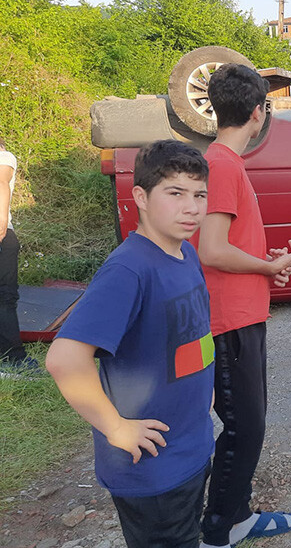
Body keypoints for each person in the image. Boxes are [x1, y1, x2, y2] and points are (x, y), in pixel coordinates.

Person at [46, 140, 213, 547]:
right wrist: (115, 427)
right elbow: (65, 359)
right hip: (151, 470)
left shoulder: (185, 254)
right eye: (175, 193)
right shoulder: (128, 269)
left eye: (200, 194)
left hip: (191, 448)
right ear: (140, 196)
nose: (191, 207)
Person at [193, 63, 291, 548]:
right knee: (246, 427)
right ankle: (221, 527)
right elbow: (211, 249)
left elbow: (225, 244)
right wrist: (264, 268)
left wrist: (266, 261)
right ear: (259, 112)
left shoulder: (225, 163)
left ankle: (234, 514)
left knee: (248, 424)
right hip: (228, 320)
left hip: (243, 314)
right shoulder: (221, 165)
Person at [0, 138, 41, 377]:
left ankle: (11, 356)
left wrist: (1, 227)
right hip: (4, 235)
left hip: (3, 236)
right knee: (4, 298)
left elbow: (2, 185)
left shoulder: (4, 157)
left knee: (4, 298)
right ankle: (11, 356)